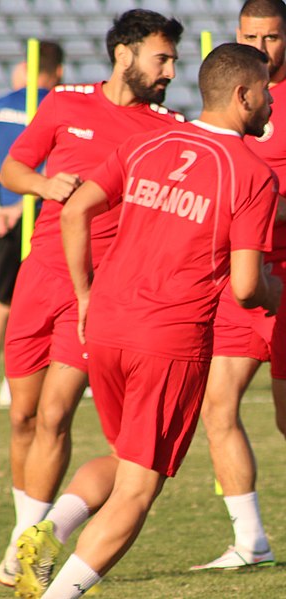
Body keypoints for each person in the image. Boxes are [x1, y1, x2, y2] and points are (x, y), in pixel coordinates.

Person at [13, 42, 282, 599]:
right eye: (265, 91)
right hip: (168, 338)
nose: (272, 102)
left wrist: (86, 294)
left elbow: (78, 207)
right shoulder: (251, 173)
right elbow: (246, 285)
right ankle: (57, 594)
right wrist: (277, 297)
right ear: (242, 95)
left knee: (126, 456)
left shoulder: (147, 140)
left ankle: (49, 527)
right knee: (140, 487)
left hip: (106, 325)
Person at [0, 9, 185, 589]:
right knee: (24, 416)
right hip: (40, 277)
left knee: (55, 414)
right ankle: (25, 538)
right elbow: (11, 168)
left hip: (100, 291)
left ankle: (28, 552)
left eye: (174, 60)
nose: (171, 72)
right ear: (124, 54)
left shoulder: (167, 127)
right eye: (162, 57)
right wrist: (44, 185)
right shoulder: (62, 103)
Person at [190, 0, 286, 571]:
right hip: (241, 279)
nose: (262, 48)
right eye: (252, 36)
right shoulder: (228, 100)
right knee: (216, 406)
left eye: (273, 38)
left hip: (281, 275)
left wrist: (262, 213)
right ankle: (250, 541)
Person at [0, 41, 64, 406]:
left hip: (7, 216)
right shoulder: (59, 104)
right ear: (57, 71)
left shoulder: (0, 106)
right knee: (50, 300)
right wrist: (18, 208)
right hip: (45, 215)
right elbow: (57, 167)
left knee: (2, 299)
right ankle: (21, 379)